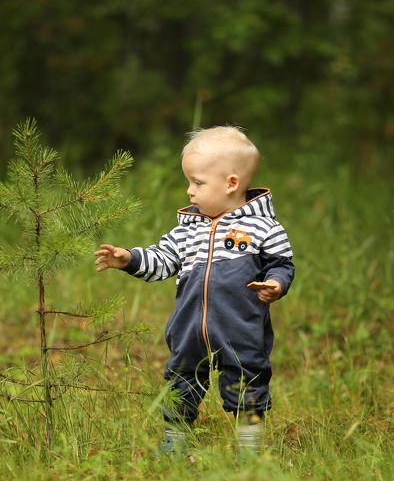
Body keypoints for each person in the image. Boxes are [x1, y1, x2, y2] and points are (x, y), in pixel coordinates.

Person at [94, 126, 295, 456]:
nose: (189, 191)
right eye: (189, 182)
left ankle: (249, 449)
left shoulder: (264, 228)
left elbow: (282, 265)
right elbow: (162, 260)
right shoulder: (187, 230)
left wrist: (275, 284)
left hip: (240, 329)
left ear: (231, 183)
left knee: (246, 382)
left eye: (198, 183)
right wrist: (129, 258)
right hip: (190, 330)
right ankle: (175, 441)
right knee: (182, 382)